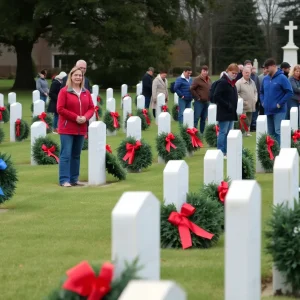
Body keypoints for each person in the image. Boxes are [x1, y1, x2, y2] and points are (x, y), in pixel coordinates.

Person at [57, 67, 94, 187]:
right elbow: (60, 109)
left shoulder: (85, 92)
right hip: (67, 128)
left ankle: (74, 179)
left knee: (76, 154)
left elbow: (91, 108)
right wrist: (75, 117)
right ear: (71, 76)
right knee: (66, 154)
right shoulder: (64, 91)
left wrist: (85, 117)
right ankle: (64, 180)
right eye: (76, 75)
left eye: (80, 75)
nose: (78, 77)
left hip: (81, 128)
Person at [260, 58, 293, 145]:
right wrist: (263, 102)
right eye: (265, 68)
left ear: (274, 66)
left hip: (279, 110)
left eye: (268, 67)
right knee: (270, 134)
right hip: (268, 110)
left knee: (278, 132)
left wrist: (279, 104)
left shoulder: (282, 78)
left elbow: (289, 92)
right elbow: (261, 92)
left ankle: (280, 153)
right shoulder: (265, 79)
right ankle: (273, 154)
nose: (266, 70)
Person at [214, 63, 239, 158]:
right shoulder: (223, 82)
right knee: (223, 132)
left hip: (231, 112)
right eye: (233, 73)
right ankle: (221, 151)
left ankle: (227, 151)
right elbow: (217, 96)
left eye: (236, 73)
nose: (235, 75)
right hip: (224, 111)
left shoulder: (231, 82)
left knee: (229, 133)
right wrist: (227, 105)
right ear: (228, 71)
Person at [235, 67, 257, 137]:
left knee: (249, 120)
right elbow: (236, 93)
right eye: (246, 72)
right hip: (243, 106)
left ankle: (247, 132)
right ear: (243, 73)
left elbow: (255, 91)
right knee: (244, 120)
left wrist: (255, 99)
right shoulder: (239, 82)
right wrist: (242, 101)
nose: (248, 74)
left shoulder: (252, 82)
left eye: (249, 72)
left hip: (251, 105)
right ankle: (242, 133)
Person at [190, 65, 212, 133]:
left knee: (203, 118)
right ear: (201, 71)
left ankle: (202, 132)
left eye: (206, 71)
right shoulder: (197, 79)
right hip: (199, 102)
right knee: (196, 117)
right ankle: (194, 132)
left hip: (206, 102)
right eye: (204, 71)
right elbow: (191, 89)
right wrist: (197, 97)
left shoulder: (209, 79)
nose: (205, 72)